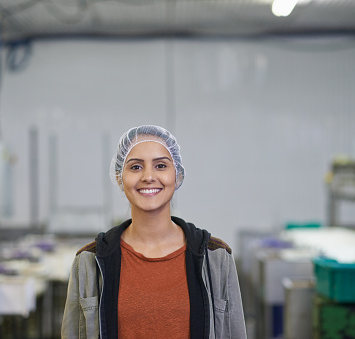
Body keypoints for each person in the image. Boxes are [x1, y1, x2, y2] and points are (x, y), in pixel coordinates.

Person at [62, 125, 247, 339]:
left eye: (160, 165)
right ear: (120, 177)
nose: (148, 176)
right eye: (135, 167)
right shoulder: (89, 261)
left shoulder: (216, 257)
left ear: (177, 174)